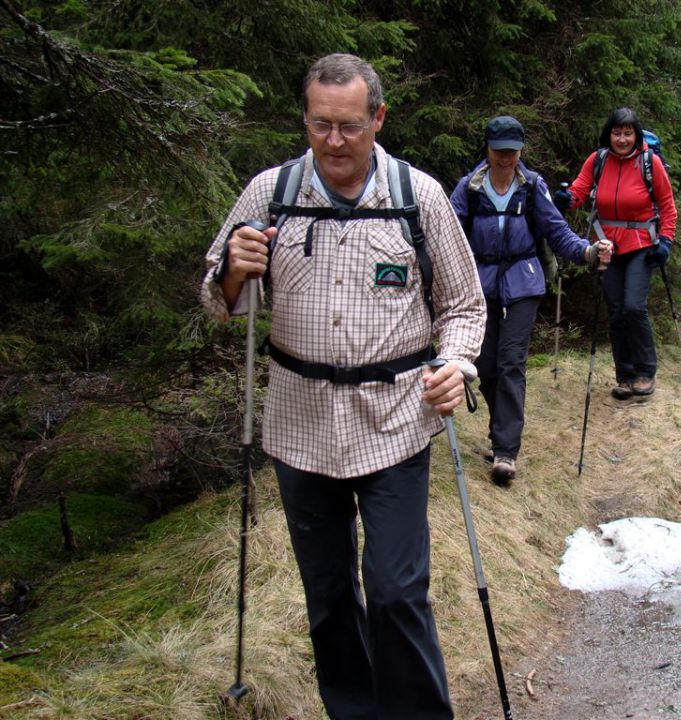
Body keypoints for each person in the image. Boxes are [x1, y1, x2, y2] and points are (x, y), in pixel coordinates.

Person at [200, 53, 486, 720]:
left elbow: (465, 306)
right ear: (306, 118)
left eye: (350, 126)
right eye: (319, 124)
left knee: (395, 591)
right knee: (327, 594)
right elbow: (219, 300)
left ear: (378, 119)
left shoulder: (420, 197)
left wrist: (457, 364)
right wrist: (234, 274)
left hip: (395, 419)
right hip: (299, 424)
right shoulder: (269, 194)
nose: (333, 141)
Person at [449, 115, 611, 486]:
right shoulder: (469, 188)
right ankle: (500, 431)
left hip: (523, 284)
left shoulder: (532, 186)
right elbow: (448, 233)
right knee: (484, 366)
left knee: (510, 363)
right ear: (487, 149)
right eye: (499, 151)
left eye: (512, 151)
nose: (506, 159)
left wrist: (587, 252)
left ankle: (506, 451)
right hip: (480, 286)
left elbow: (557, 232)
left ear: (521, 150)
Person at [554, 107, 677, 400]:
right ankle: (626, 376)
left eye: (627, 133)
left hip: (641, 245)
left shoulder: (650, 163)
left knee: (634, 306)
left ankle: (646, 372)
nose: (622, 139)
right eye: (617, 132)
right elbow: (579, 193)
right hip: (606, 245)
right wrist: (566, 199)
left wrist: (666, 242)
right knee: (617, 309)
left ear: (636, 135)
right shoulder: (598, 161)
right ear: (609, 134)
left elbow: (668, 206)